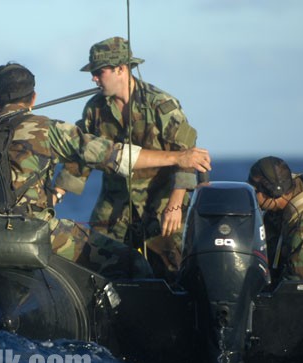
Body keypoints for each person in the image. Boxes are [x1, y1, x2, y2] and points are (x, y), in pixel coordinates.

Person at [0, 62, 211, 278]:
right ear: (33, 98)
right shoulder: (49, 129)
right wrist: (179, 157)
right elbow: (117, 157)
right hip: (35, 233)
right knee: (130, 262)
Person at [55, 37, 199, 280]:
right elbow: (82, 156)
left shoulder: (162, 105)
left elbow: (187, 158)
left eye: (99, 72)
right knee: (92, 259)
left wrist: (175, 205)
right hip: (115, 201)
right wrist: (57, 192)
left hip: (161, 201)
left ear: (121, 69)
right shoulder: (94, 109)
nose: (94, 79)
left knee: (174, 268)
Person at [248, 156, 303, 281]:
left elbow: (302, 281)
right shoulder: (281, 204)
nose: (251, 194)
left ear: (272, 192)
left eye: (255, 189)